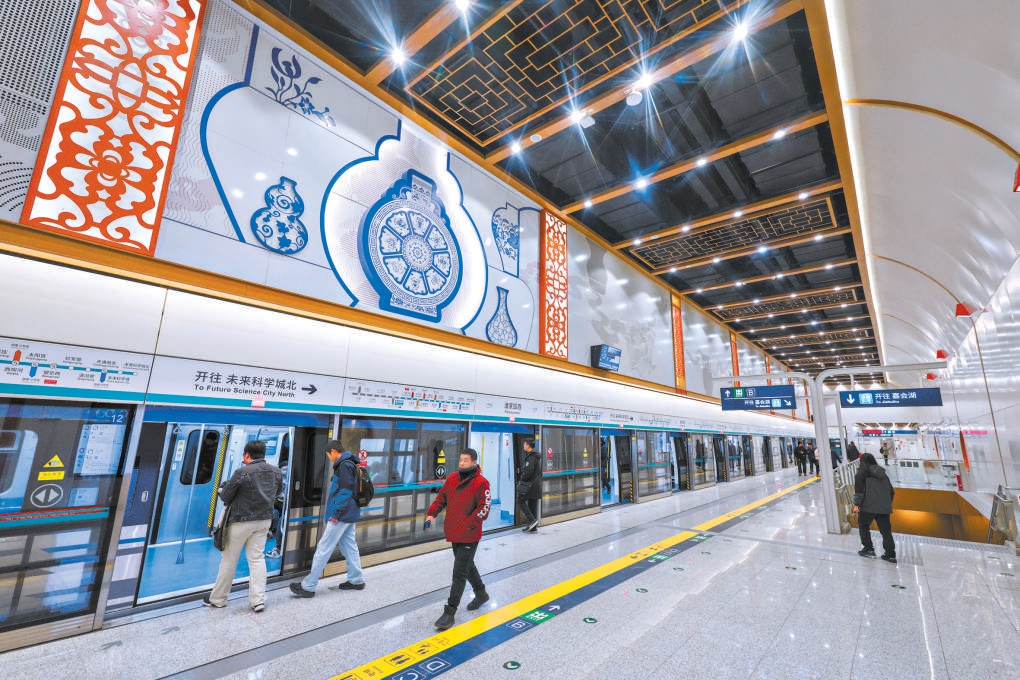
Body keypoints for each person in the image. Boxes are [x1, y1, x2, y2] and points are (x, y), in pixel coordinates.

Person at [204, 440, 283, 613]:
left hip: (240, 521)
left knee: (229, 560)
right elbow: (277, 492)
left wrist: (222, 489)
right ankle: (258, 600)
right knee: (257, 559)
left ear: (247, 455)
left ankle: (218, 599)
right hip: (264, 521)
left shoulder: (242, 472)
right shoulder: (276, 472)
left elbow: (226, 496)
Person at [426, 447, 492, 631]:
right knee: (467, 565)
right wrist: (431, 514)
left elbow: (484, 507)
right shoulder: (452, 478)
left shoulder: (481, 483)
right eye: (460, 460)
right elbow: (441, 498)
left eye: (465, 460)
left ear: (474, 462)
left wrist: (469, 524)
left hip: (469, 533)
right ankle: (481, 593)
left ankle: (450, 611)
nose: (461, 463)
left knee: (459, 571)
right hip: (454, 531)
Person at [290, 440, 365, 597]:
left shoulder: (344, 465)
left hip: (341, 515)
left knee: (324, 548)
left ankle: (308, 586)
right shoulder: (350, 463)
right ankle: (357, 580)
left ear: (333, 452)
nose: (329, 459)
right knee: (349, 546)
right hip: (350, 513)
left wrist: (335, 514)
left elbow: (345, 492)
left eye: (328, 456)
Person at [853, 452, 896, 563]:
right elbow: (891, 492)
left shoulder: (861, 474)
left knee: (863, 525)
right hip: (883, 507)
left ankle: (868, 549)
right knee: (886, 531)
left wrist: (856, 505)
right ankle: (890, 554)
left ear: (862, 462)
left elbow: (859, 493)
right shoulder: (883, 474)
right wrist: (886, 503)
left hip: (868, 507)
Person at [517, 439, 542, 532]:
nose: (523, 446)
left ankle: (532, 520)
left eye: (524, 444)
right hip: (536, 485)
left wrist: (521, 479)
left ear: (528, 445)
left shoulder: (531, 457)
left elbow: (528, 471)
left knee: (520, 500)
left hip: (530, 485)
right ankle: (533, 528)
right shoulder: (535, 456)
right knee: (532, 505)